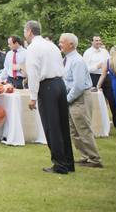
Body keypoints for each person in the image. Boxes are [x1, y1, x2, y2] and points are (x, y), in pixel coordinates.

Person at [24, 20, 73, 174]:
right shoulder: (51, 45)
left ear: (30, 31)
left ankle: (60, 164)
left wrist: (32, 96)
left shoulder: (33, 48)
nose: (24, 34)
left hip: (47, 86)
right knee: (63, 125)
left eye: (25, 31)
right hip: (60, 83)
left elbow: (33, 72)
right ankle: (68, 162)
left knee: (52, 126)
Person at [59, 33, 102, 168]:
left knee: (83, 128)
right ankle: (85, 156)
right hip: (73, 97)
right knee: (74, 130)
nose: (59, 44)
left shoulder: (77, 60)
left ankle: (95, 159)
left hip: (79, 98)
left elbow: (78, 86)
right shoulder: (67, 59)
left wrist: (66, 100)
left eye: (62, 42)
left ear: (71, 44)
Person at [83, 35, 116, 129]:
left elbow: (109, 62)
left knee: (112, 98)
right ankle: (94, 122)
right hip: (93, 76)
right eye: (96, 40)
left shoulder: (104, 51)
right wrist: (96, 66)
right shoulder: (87, 53)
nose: (98, 42)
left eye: (99, 40)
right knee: (94, 99)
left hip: (106, 76)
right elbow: (85, 68)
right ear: (92, 42)